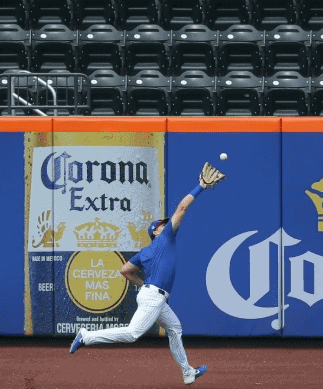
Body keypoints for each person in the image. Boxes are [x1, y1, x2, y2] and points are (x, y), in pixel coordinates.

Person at [69, 163, 225, 386]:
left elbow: (124, 270)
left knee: (174, 328)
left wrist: (142, 284)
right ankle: (86, 336)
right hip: (153, 297)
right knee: (133, 334)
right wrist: (199, 186)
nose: (167, 223)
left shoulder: (146, 251)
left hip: (154, 296)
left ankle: (187, 372)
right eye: (162, 224)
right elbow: (181, 209)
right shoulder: (165, 238)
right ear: (156, 231)